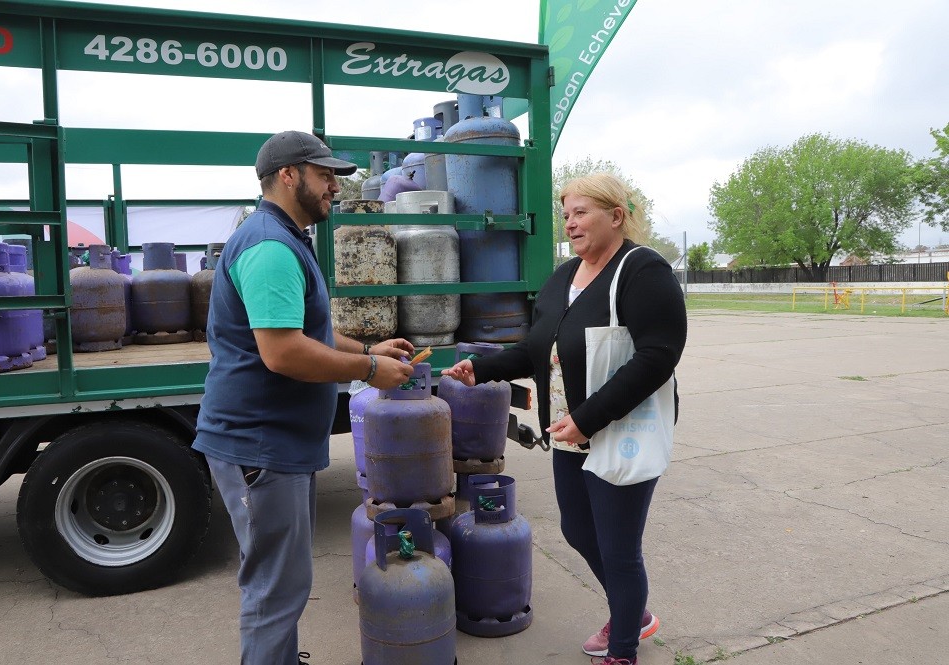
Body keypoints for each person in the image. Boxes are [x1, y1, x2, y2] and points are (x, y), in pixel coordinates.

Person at [442, 173, 686, 665]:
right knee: (578, 531)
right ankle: (632, 610)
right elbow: (540, 352)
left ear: (616, 217)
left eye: (582, 212)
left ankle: (623, 650)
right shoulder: (562, 278)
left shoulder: (642, 271)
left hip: (621, 430)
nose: (571, 223)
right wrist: (482, 368)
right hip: (571, 432)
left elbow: (658, 357)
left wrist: (589, 418)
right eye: (567, 213)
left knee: (618, 548)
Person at [193, 130, 415, 665]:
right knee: (276, 590)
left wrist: (367, 345)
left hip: (272, 445)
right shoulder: (270, 245)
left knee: (281, 582)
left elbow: (305, 330)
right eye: (325, 175)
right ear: (288, 175)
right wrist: (368, 368)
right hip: (261, 447)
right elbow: (283, 352)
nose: (335, 186)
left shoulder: (285, 237)